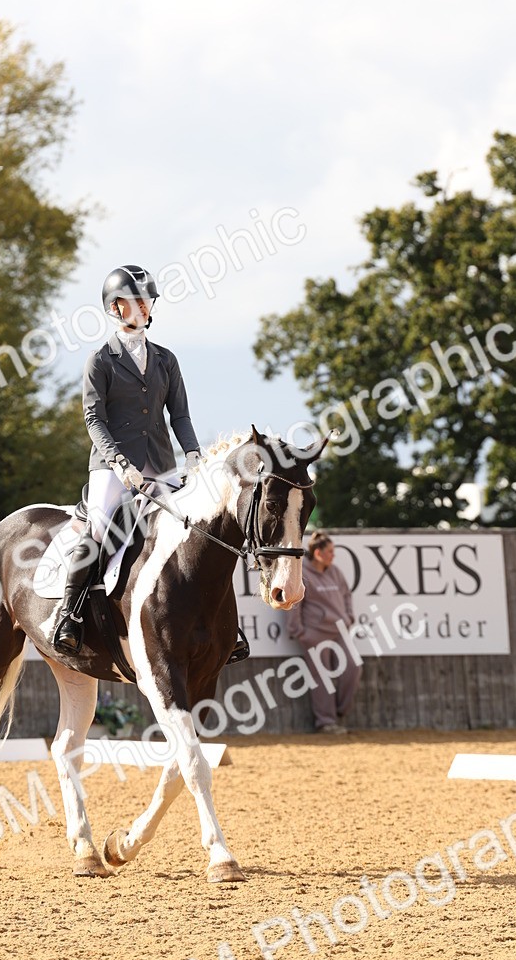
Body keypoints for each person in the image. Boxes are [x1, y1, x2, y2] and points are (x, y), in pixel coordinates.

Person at [53, 263, 248, 663]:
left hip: (162, 464)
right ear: (115, 307)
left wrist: (195, 454)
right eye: (134, 301)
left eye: (146, 301)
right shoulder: (100, 361)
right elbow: (94, 419)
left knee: (196, 531)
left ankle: (228, 624)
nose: (143, 307)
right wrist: (119, 463)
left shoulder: (165, 359)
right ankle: (69, 614)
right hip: (111, 468)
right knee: (102, 528)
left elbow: (179, 415)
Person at [286, 531, 362, 734]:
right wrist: (299, 632)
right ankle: (326, 723)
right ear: (317, 553)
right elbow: (294, 603)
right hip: (315, 634)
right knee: (321, 679)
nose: (333, 555)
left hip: (339, 630)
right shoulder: (303, 573)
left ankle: (340, 711)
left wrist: (349, 617)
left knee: (353, 667)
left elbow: (346, 595)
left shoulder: (335, 571)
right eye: (329, 551)